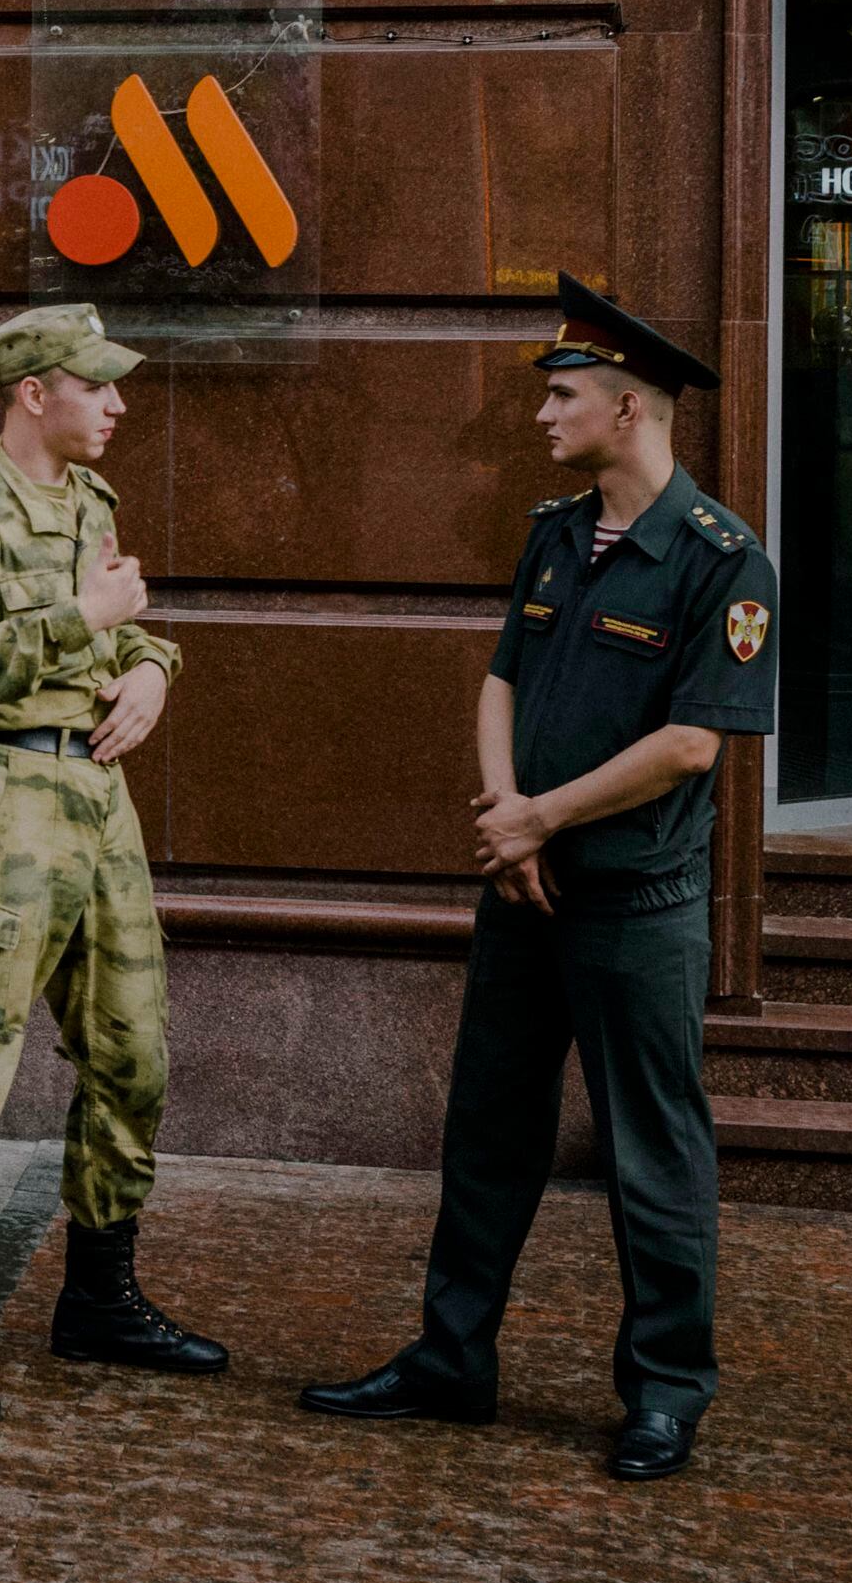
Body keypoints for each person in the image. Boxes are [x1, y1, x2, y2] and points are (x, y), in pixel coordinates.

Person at [303, 276, 777, 1484]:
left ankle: (666, 1391)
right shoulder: (557, 531)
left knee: (652, 1151)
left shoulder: (724, 559)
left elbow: (691, 743)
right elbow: (502, 677)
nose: (541, 413)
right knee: (488, 1131)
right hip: (522, 898)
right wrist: (506, 815)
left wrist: (540, 819)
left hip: (636, 906)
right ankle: (452, 1359)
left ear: (629, 410)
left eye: (562, 395)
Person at [0, 302, 221, 1425]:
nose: (119, 402)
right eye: (97, 384)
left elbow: (127, 624)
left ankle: (100, 1292)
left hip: (98, 800)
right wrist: (81, 620)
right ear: (34, 390)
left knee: (135, 1056)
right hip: (6, 799)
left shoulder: (89, 499)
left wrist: (151, 670)